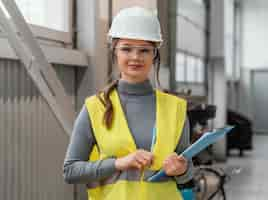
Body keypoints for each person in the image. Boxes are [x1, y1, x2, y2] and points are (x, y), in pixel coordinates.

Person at [63, 6, 193, 200]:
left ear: (154, 54)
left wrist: (181, 170)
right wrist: (119, 163)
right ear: (114, 51)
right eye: (126, 49)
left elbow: (187, 174)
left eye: (144, 50)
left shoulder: (176, 108)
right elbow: (71, 171)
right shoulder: (95, 107)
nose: (135, 57)